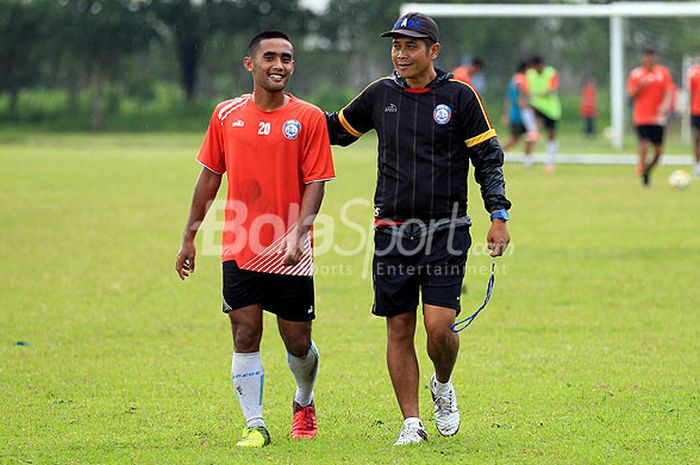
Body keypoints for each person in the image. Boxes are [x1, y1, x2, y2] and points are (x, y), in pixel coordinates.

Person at [326, 12, 511, 446]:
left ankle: (442, 384)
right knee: (399, 329)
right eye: (396, 45)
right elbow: (336, 130)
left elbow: (488, 159)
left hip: (447, 230)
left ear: (433, 51)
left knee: (439, 330)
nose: (401, 54)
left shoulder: (460, 96)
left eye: (411, 45)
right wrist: (287, 114)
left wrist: (498, 215)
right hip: (392, 231)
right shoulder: (379, 94)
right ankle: (411, 422)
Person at [175, 30, 335, 448]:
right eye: (270, 57)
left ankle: (304, 399)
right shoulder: (226, 115)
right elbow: (210, 177)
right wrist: (189, 237)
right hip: (239, 246)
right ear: (251, 64)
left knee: (297, 342)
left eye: (286, 58)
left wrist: (299, 233)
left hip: (291, 250)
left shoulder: (310, 117)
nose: (279, 65)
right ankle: (255, 424)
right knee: (245, 332)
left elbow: (316, 182)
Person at [626, 48, 674, 186]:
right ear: (643, 58)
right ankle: (642, 170)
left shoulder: (663, 73)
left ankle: (647, 170)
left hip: (658, 118)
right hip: (641, 116)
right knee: (644, 144)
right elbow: (631, 95)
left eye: (651, 56)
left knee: (658, 152)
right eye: (647, 56)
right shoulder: (636, 74)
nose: (649, 59)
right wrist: (640, 86)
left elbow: (669, 91)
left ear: (655, 57)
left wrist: (665, 106)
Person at [525, 55, 561, 173]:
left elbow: (552, 89)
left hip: (550, 109)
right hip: (535, 107)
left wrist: (537, 94)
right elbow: (526, 90)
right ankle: (528, 159)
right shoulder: (529, 74)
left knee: (550, 134)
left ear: (539, 65)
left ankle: (550, 162)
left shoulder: (551, 73)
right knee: (532, 133)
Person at [501, 60, 539, 166]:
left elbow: (509, 98)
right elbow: (520, 96)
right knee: (515, 138)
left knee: (527, 137)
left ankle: (528, 160)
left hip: (517, 113)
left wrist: (506, 114)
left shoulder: (515, 79)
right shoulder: (520, 79)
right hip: (520, 114)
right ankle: (496, 153)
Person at [689, 54, 700, 176]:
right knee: (697, 138)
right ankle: (697, 166)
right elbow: (692, 93)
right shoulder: (694, 73)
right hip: (697, 111)